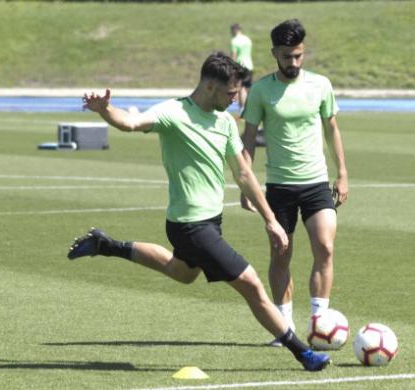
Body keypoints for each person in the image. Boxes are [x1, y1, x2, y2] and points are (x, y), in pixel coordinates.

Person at [67, 52, 330, 371]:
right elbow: (131, 122)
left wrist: (271, 220)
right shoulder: (173, 112)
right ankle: (303, 352)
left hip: (210, 222)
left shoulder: (225, 122)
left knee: (182, 273)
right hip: (190, 226)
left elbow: (244, 173)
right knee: (251, 284)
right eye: (231, 93)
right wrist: (105, 109)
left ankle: (105, 245)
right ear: (209, 86)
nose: (235, 101)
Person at [240, 20, 349, 346]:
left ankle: (319, 322)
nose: (294, 63)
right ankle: (284, 325)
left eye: (298, 56)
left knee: (325, 248)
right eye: (287, 56)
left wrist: (342, 172)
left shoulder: (320, 85)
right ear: (275, 53)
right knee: (280, 253)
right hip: (279, 187)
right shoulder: (260, 90)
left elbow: (332, 129)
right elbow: (247, 140)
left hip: (316, 183)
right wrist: (248, 185)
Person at [230, 23, 254, 113]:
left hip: (240, 65)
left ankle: (243, 108)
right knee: (247, 87)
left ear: (234, 30)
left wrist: (232, 67)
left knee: (241, 88)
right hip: (249, 65)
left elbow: (234, 56)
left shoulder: (235, 41)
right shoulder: (247, 39)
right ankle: (248, 107)